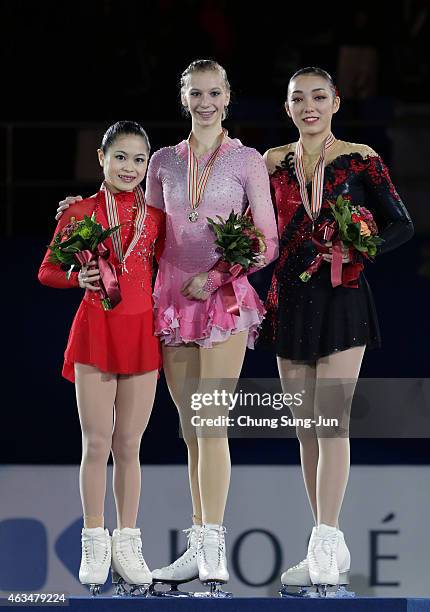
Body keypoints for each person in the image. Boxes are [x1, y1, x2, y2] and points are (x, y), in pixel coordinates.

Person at [259, 67, 413, 593]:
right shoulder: (272, 163)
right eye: (298, 98)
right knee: (306, 430)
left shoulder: (360, 158)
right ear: (287, 108)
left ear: (336, 102)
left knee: (332, 422)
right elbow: (246, 222)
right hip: (288, 300)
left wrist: (360, 248)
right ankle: (328, 538)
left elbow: (401, 223)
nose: (309, 107)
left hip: (342, 297)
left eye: (318, 97)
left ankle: (324, 539)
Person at [145, 58, 278, 593]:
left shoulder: (246, 160)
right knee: (189, 427)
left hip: (222, 299)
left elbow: (267, 240)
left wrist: (222, 273)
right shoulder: (162, 161)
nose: (205, 101)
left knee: (212, 420)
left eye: (214, 92)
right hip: (172, 297)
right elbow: (147, 230)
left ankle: (214, 543)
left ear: (228, 97)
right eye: (195, 93)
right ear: (184, 98)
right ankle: (196, 546)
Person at [39, 121, 165, 595]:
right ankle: (94, 539)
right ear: (101, 158)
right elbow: (47, 270)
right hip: (95, 333)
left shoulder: (157, 215)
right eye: (121, 158)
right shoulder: (82, 212)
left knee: (129, 445)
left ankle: (127, 543)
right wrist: (78, 278)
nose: (129, 168)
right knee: (97, 443)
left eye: (139, 160)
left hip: (141, 335)